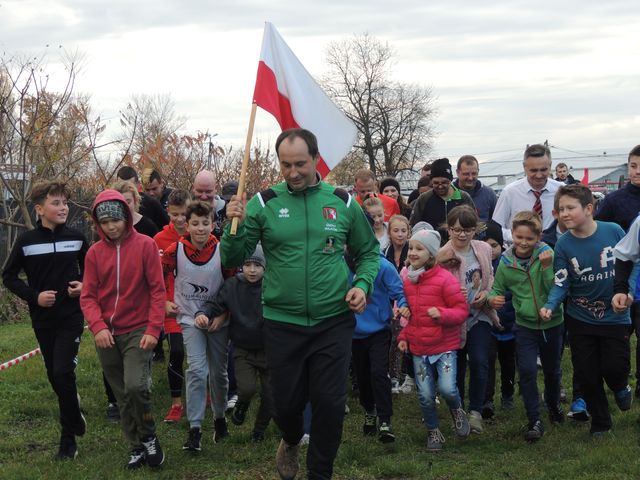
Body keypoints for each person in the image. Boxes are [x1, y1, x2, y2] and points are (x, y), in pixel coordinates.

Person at [221, 128, 380, 480]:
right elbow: (232, 257)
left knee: (330, 403)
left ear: (316, 159)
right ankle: (291, 438)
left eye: (300, 164)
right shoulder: (263, 204)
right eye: (286, 165)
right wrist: (233, 223)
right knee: (286, 404)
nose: (293, 172)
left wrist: (363, 284)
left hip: (333, 321)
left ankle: (319, 472)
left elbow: (368, 252)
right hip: (282, 322)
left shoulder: (342, 201)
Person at [2, 181, 88, 460]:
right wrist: (34, 297)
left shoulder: (77, 237)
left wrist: (83, 286)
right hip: (42, 319)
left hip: (72, 317)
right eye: (56, 203)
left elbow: (93, 272)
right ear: (39, 209)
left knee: (63, 372)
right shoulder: (27, 242)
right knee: (55, 374)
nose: (63, 208)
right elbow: (9, 277)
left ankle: (68, 438)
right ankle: (72, 410)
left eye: (65, 203)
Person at [80, 190, 165, 469]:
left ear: (126, 218)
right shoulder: (94, 253)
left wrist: (153, 329)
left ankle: (150, 436)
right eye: (104, 222)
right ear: (98, 224)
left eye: (115, 220)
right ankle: (136, 445)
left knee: (136, 386)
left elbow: (156, 290)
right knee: (121, 394)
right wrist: (98, 325)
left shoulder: (145, 246)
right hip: (107, 335)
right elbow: (89, 296)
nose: (111, 227)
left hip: (138, 329)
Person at [540, 184, 631, 437]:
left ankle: (621, 386)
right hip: (580, 318)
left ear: (589, 208)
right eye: (560, 209)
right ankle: (601, 422)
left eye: (570, 208)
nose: (564, 213)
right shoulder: (563, 245)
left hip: (616, 316)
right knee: (587, 374)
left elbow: (631, 262)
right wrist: (550, 305)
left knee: (614, 368)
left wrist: (629, 292)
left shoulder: (613, 232)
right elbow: (561, 280)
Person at [488, 211, 563, 442]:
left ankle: (553, 405)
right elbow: (497, 288)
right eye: (519, 237)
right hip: (525, 325)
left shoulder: (547, 255)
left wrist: (547, 267)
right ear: (513, 234)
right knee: (528, 371)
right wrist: (493, 298)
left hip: (553, 323)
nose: (523, 242)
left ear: (538, 237)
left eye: (529, 239)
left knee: (552, 370)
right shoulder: (506, 261)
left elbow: (556, 286)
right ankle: (534, 419)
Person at [161, 201, 230, 451]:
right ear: (186, 225)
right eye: (195, 223)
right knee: (197, 370)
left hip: (218, 320)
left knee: (219, 373)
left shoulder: (224, 251)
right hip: (190, 318)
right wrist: (167, 301)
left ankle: (220, 418)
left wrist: (223, 317)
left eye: (205, 223)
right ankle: (195, 429)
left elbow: (231, 286)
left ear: (213, 224)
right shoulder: (173, 250)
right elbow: (160, 276)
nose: (200, 229)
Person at [397, 228, 470, 452]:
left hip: (444, 346)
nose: (412, 253)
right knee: (426, 395)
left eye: (419, 248)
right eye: (411, 248)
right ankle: (433, 431)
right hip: (419, 347)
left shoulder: (444, 280)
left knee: (448, 388)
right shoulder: (408, 281)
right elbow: (410, 314)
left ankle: (457, 409)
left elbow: (461, 311)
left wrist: (442, 314)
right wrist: (403, 336)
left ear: (431, 253)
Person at [436, 205, 500, 435]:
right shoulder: (443, 254)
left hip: (480, 314)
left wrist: (487, 293)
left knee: (481, 360)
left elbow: (490, 277)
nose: (462, 235)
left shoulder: (483, 249)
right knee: (457, 366)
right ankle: (459, 411)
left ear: (476, 229)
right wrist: (452, 295)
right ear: (449, 229)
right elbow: (433, 286)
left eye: (468, 230)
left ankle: (476, 412)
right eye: (457, 230)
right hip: (454, 320)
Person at [207, 245, 273, 443]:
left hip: (269, 350)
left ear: (265, 267)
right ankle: (242, 404)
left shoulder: (272, 284)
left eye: (257, 265)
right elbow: (217, 304)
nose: (252, 270)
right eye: (247, 265)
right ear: (241, 267)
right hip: (243, 348)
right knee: (247, 388)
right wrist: (203, 314)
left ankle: (259, 430)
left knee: (271, 395)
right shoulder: (232, 285)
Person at [347, 250, 410, 444]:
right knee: (362, 378)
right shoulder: (340, 264)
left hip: (379, 331)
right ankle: (369, 410)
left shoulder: (382, 265)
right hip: (353, 332)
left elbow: (399, 292)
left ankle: (385, 420)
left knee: (378, 373)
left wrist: (403, 306)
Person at [153, 189, 191, 423]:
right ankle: (176, 403)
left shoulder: (199, 233)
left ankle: (203, 390)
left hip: (196, 304)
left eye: (184, 214)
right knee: (176, 352)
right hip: (172, 307)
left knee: (200, 355)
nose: (179, 219)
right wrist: (164, 301)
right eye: (175, 214)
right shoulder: (159, 239)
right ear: (168, 211)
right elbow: (156, 275)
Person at [492, 144, 563, 243]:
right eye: (533, 170)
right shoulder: (510, 192)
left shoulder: (561, 190)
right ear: (524, 167)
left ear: (550, 165)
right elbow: (496, 228)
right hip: (519, 254)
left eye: (543, 170)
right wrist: (521, 238)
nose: (539, 175)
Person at [481, 220, 516, 418]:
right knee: (488, 360)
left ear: (501, 245)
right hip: (487, 323)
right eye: (485, 245)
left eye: (493, 245)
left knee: (508, 362)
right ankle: (487, 399)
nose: (490, 250)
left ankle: (508, 395)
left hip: (509, 324)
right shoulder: (478, 265)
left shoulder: (508, 263)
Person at [410, 158, 475, 245]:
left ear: (450, 180)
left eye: (444, 182)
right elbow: (413, 226)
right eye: (436, 183)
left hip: (460, 247)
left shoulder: (464, 198)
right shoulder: (424, 199)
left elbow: (475, 225)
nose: (440, 186)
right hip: (432, 250)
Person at [116, 165, 169, 230]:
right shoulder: (111, 205)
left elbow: (166, 229)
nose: (125, 190)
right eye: (121, 186)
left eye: (130, 186)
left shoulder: (151, 204)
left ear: (138, 184)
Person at [453, 155, 497, 223]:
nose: (470, 178)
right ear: (457, 172)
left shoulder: (489, 194)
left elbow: (496, 222)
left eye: (474, 173)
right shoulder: (449, 193)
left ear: (478, 171)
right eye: (466, 174)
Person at [191, 169, 227, 238]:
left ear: (215, 188)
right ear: (193, 188)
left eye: (208, 192)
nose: (204, 197)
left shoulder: (226, 211)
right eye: (200, 191)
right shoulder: (186, 211)